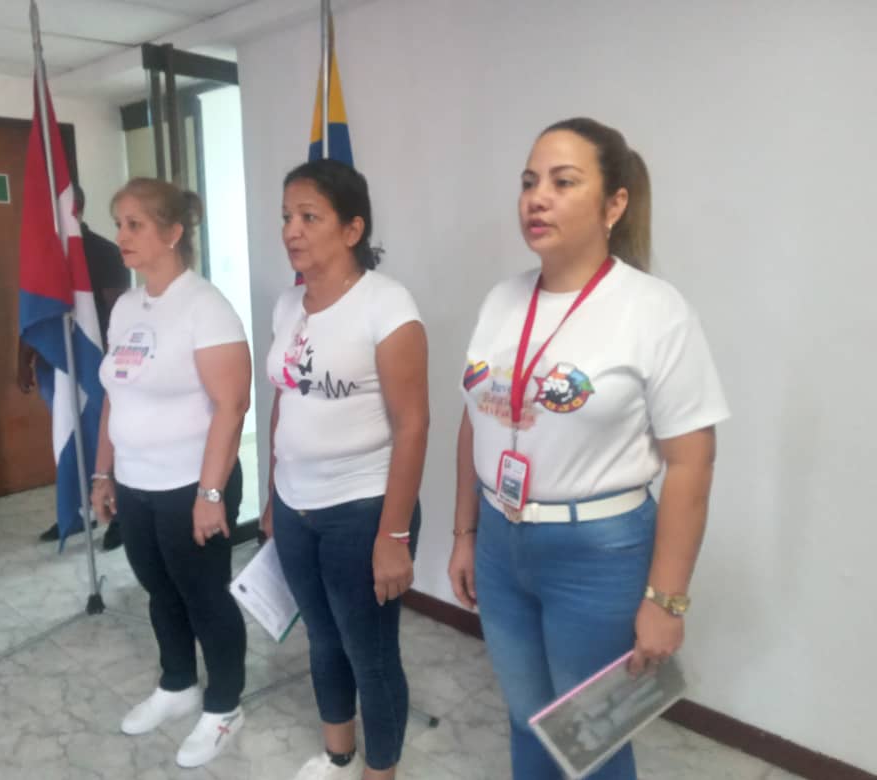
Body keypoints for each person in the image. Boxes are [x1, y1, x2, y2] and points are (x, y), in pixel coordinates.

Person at [447, 117, 729, 779]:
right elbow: (475, 420)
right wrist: (465, 531)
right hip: (499, 542)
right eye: (528, 182)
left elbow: (693, 460)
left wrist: (666, 600)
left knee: (591, 740)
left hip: (598, 555)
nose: (536, 197)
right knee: (525, 717)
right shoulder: (501, 300)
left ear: (615, 203)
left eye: (562, 181)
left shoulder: (654, 310)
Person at [261, 159, 429, 780]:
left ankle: (379, 773)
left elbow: (413, 425)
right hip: (297, 501)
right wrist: (274, 491)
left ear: (352, 228)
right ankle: (338, 755)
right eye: (286, 216)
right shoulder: (289, 304)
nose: (292, 230)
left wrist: (393, 535)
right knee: (322, 638)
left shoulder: (387, 306)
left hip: (363, 508)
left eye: (309, 217)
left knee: (371, 654)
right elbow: (285, 394)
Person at [90, 178, 250, 769]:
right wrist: (102, 474)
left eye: (135, 224)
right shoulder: (127, 306)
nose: (121, 236)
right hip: (135, 482)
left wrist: (211, 493)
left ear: (173, 233)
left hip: (191, 484)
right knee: (160, 591)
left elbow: (232, 406)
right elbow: (114, 392)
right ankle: (179, 684)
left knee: (204, 595)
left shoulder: (206, 307)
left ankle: (226, 705)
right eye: (119, 222)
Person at [19, 183, 131, 549]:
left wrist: (117, 367)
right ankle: (75, 512)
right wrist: (22, 360)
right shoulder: (41, 255)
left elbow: (116, 312)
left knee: (106, 440)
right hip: (55, 365)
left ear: (76, 208)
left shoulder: (104, 251)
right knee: (69, 437)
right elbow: (33, 313)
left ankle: (118, 518)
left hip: (94, 361)